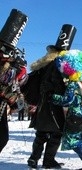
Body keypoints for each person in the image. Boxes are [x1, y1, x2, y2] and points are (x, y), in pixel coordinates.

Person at [24, 24, 77, 169]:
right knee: (56, 133)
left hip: (43, 102)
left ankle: (33, 159)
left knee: (41, 133)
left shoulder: (44, 63)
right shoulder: (59, 65)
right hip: (53, 102)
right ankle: (48, 160)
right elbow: (55, 84)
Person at [0, 9, 28, 153]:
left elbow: (18, 83)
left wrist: (20, 70)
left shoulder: (11, 66)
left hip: (3, 106)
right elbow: (4, 87)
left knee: (3, 138)